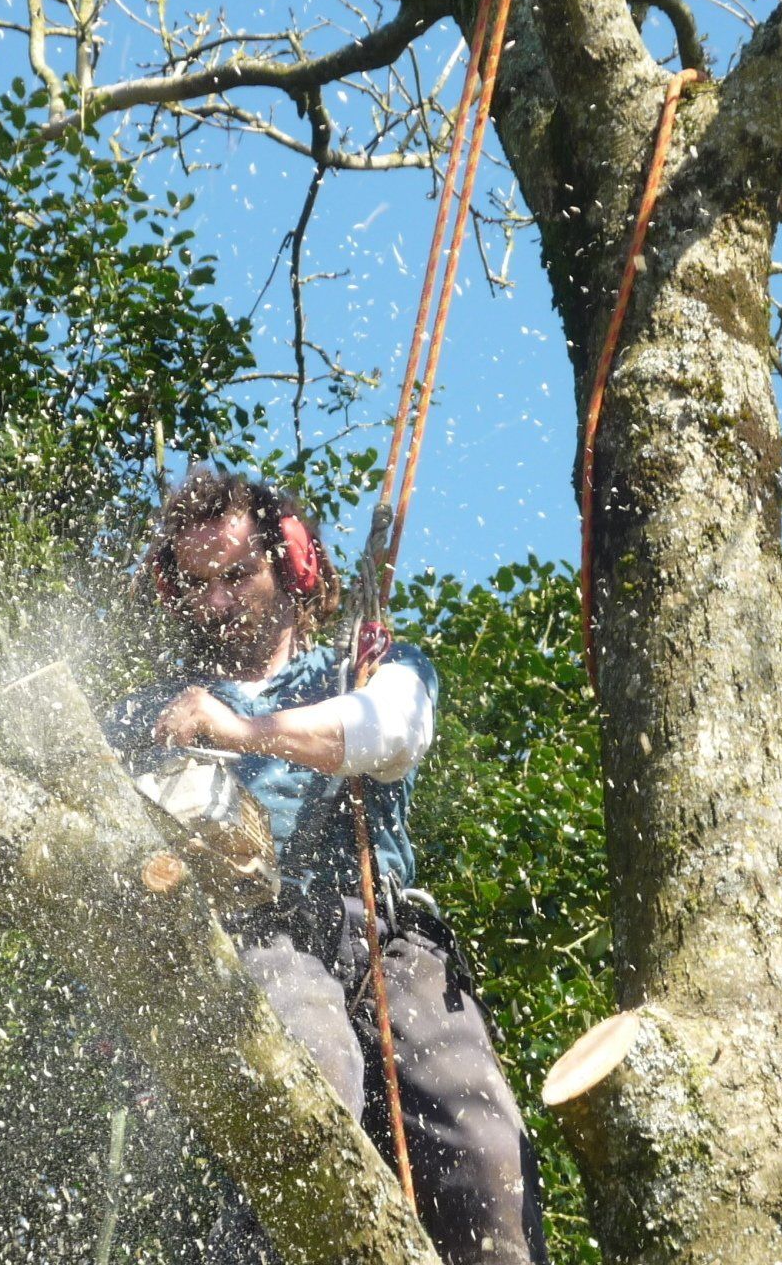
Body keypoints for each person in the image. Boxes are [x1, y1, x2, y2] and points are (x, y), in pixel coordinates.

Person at [104, 467, 548, 1265]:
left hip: (391, 940)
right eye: (200, 584)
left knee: (487, 1151)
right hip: (255, 940)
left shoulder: (367, 667)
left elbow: (390, 734)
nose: (219, 601)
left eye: (238, 575)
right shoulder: (150, 710)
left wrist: (243, 730)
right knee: (308, 1089)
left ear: (294, 563)